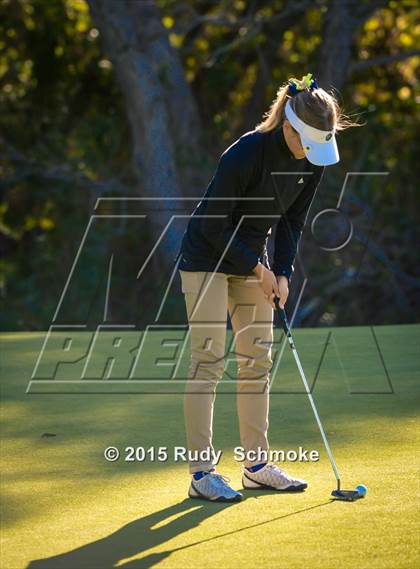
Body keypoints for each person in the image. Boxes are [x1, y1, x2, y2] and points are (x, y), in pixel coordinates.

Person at [176, 73, 352, 502]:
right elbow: (212, 222)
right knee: (209, 362)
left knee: (257, 360)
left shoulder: (312, 161)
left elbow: (291, 221)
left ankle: (256, 466)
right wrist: (259, 268)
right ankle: (202, 473)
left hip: (253, 261)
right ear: (290, 127)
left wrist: (284, 271)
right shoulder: (246, 153)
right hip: (207, 258)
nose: (311, 151)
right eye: (306, 141)